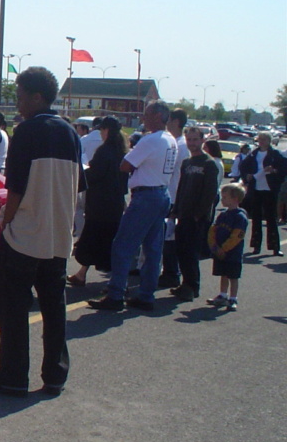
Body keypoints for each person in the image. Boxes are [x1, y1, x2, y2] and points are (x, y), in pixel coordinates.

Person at [0, 67, 83, 398]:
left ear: (37, 97)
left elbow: (17, 188)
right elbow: (79, 186)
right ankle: (55, 375)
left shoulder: (27, 132)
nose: (18, 104)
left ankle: (13, 376)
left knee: (14, 309)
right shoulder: (70, 133)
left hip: (25, 234)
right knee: (54, 308)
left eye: (21, 97)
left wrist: (5, 221)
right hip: (58, 235)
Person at [88, 101, 178, 312]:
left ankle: (116, 294)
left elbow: (125, 164)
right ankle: (146, 295)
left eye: (146, 114)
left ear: (157, 116)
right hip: (161, 193)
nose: (142, 118)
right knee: (153, 249)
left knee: (123, 245)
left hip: (146, 196)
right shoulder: (170, 139)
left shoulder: (151, 140)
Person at [68, 116, 128, 287]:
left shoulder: (104, 151)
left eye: (102, 130)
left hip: (100, 204)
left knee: (93, 239)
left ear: (106, 130)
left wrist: (81, 175)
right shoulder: (122, 151)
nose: (100, 133)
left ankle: (114, 282)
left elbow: (95, 174)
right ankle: (82, 274)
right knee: (106, 240)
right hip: (113, 203)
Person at [169, 126, 221, 301]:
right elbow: (181, 187)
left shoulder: (209, 164)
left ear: (202, 140)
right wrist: (176, 210)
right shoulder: (187, 163)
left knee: (191, 252)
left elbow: (210, 193)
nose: (192, 143)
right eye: (189, 140)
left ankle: (192, 286)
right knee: (181, 250)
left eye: (195, 140)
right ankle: (185, 284)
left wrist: (199, 214)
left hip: (197, 218)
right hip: (183, 214)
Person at [238, 131, 286, 256]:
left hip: (269, 189)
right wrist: (247, 176)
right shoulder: (253, 154)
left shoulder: (275, 154)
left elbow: (283, 169)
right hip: (256, 189)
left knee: (271, 218)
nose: (261, 142)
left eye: (264, 139)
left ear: (269, 141)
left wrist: (274, 171)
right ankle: (256, 246)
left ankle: (275, 247)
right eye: (260, 139)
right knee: (256, 218)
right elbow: (243, 166)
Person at [157, 109, 190, 289]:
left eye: (169, 119)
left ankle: (172, 273)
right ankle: (166, 270)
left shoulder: (182, 146)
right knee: (165, 235)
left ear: (176, 121)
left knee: (170, 236)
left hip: (175, 195)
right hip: (168, 194)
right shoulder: (173, 142)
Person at [206, 183, 249, 311]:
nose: (222, 200)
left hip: (232, 253)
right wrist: (214, 247)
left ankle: (233, 298)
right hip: (219, 251)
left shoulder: (240, 217)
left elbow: (237, 236)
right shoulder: (222, 215)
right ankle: (222, 295)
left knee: (233, 276)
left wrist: (223, 249)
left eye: (225, 197)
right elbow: (213, 230)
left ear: (235, 199)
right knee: (223, 274)